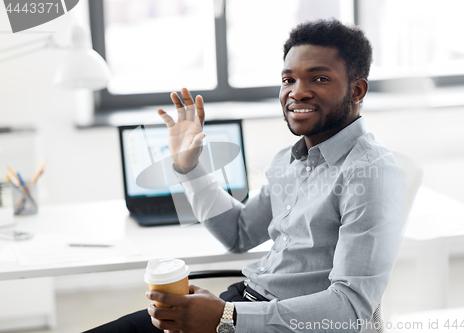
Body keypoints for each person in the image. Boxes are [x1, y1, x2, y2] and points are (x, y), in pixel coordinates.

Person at [86, 18, 406, 333]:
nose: (298, 92)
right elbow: (239, 233)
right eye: (288, 80)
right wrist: (189, 167)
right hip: (243, 304)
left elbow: (350, 311)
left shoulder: (370, 173)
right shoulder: (289, 160)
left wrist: (228, 318)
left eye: (319, 79)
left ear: (357, 90)